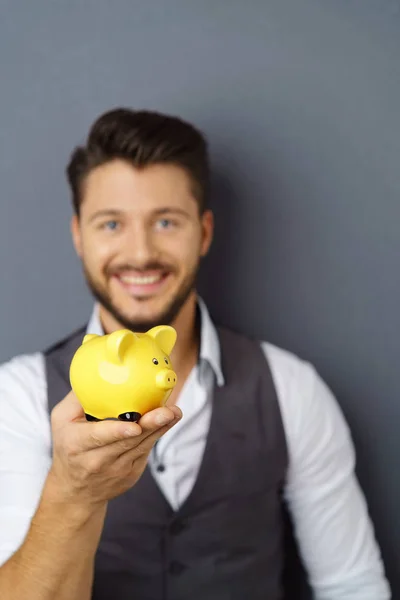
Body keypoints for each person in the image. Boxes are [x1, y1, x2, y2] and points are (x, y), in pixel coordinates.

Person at [0, 108, 391, 600]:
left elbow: (353, 587)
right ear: (79, 234)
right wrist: (73, 491)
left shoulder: (291, 389)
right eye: (111, 224)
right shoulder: (18, 396)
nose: (140, 253)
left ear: (204, 232)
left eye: (166, 221)